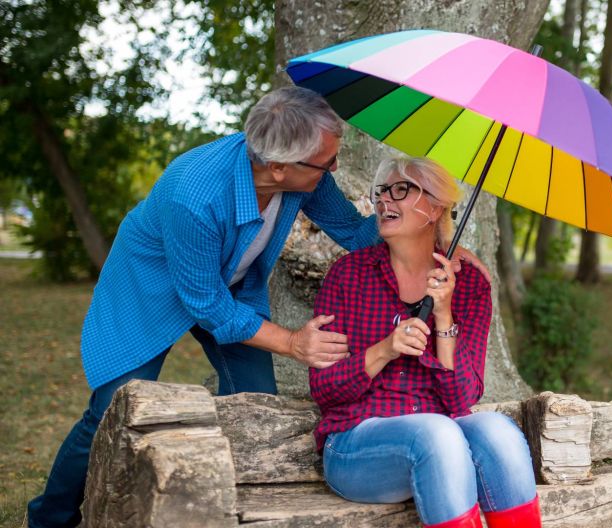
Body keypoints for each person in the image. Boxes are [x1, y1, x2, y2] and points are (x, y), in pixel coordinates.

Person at [28, 87, 487, 528]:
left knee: (255, 401)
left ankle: (221, 503)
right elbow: (206, 303)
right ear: (279, 167)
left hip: (230, 288)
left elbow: (354, 231)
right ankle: (49, 519)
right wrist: (291, 342)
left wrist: (439, 241)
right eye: (326, 162)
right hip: (149, 289)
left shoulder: (304, 171)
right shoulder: (194, 194)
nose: (333, 168)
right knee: (109, 409)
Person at [309, 157, 541, 528]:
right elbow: (324, 389)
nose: (384, 200)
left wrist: (444, 315)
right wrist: (384, 350)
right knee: (437, 433)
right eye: (382, 191)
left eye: (400, 189)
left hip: (442, 441)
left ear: (434, 208)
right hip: (357, 444)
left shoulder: (469, 285)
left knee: (500, 433)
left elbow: (462, 399)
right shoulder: (348, 276)